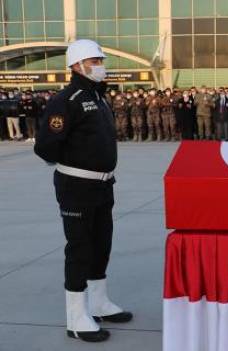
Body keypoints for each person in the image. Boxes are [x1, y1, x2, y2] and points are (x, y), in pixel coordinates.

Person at [33, 39, 133, 343]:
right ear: (77, 65)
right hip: (77, 185)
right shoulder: (68, 99)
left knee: (101, 244)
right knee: (79, 248)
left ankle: (99, 303)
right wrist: (72, 163)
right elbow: (46, 145)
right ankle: (76, 317)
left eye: (100, 59)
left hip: (103, 184)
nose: (100, 64)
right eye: (94, 60)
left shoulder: (98, 97)